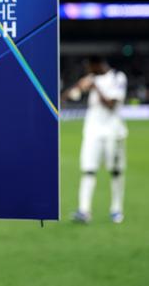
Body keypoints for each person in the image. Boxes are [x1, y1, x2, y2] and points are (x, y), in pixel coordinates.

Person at [65, 56, 128, 224]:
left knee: (115, 171)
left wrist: (95, 87)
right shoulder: (91, 78)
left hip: (113, 132)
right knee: (88, 170)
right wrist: (78, 88)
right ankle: (84, 211)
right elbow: (67, 97)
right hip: (92, 132)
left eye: (89, 67)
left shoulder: (117, 77)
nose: (88, 71)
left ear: (98, 65)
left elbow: (111, 104)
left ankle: (116, 210)